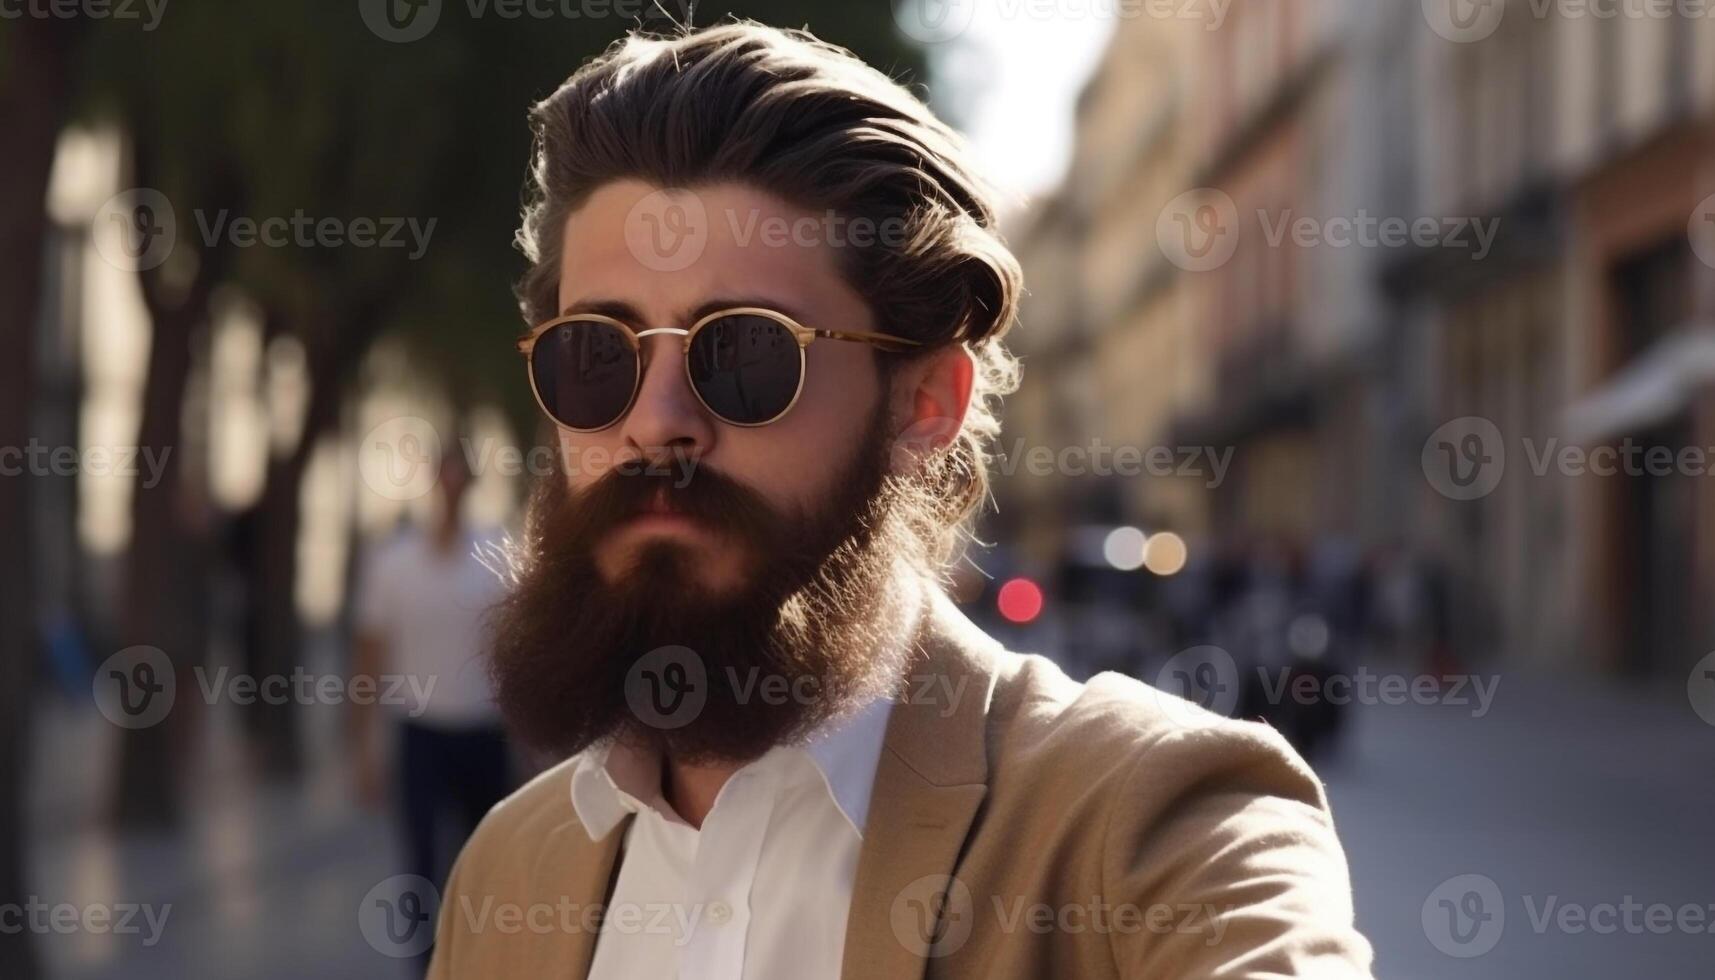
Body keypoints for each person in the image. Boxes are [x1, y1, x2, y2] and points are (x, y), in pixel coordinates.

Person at [430, 22, 1375, 979]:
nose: (654, 422)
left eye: (746, 352)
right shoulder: (509, 869)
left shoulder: (1156, 825)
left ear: (923, 403)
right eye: (597, 355)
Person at [350, 450, 512, 897]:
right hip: (420, 731)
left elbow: (513, 654)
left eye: (461, 477)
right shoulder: (394, 562)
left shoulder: (495, 556)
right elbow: (370, 656)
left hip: (483, 731)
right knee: (420, 865)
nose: (452, 487)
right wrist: (363, 746)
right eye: (445, 476)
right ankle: (427, 963)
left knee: (482, 862)